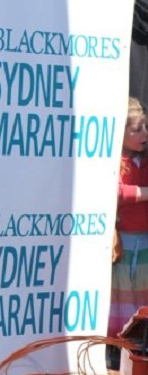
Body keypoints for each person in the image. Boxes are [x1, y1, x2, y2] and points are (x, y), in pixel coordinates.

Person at [109, 97, 148, 353]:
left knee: (141, 294)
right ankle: (116, 346)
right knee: (120, 296)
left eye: (145, 126)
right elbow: (117, 193)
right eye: (136, 129)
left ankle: (139, 344)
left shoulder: (144, 162)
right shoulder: (115, 162)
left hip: (144, 238)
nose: (144, 133)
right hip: (122, 240)